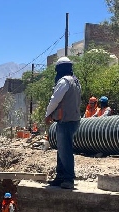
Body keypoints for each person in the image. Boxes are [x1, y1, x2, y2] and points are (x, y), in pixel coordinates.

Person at [44, 57, 82, 190]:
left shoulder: (64, 81)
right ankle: (60, 177)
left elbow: (55, 100)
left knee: (64, 151)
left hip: (66, 120)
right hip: (73, 119)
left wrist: (48, 114)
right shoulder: (76, 81)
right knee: (62, 149)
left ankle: (68, 178)